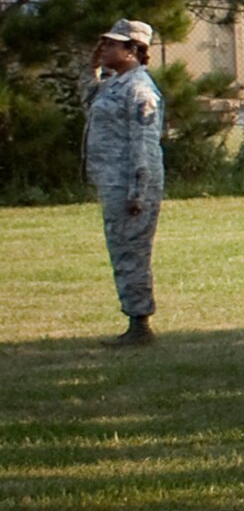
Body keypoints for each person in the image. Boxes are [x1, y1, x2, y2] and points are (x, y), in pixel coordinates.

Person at [82, 18, 165, 347]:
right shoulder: (113, 84)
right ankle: (135, 318)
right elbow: (87, 100)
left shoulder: (139, 89)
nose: (103, 48)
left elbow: (144, 145)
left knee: (131, 252)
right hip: (114, 183)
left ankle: (139, 323)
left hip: (129, 185)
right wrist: (91, 68)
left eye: (112, 44)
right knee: (122, 250)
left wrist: (138, 192)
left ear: (133, 51)